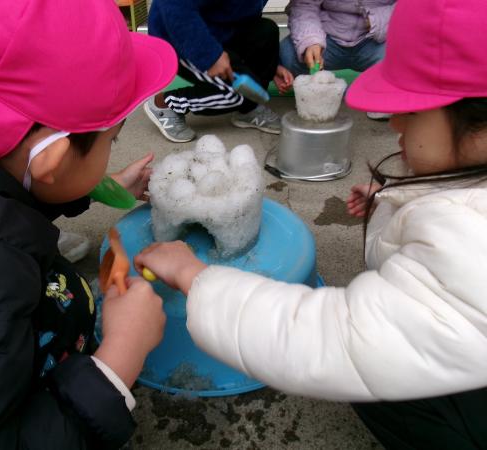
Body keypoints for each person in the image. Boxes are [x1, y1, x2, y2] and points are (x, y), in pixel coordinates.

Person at [134, 0, 487, 448]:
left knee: (379, 384)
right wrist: (396, 199)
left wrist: (196, 278)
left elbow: (337, 340)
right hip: (196, 42)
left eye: (412, 111)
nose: (395, 121)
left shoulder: (471, 242)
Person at [0, 0, 177, 447]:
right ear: (52, 161)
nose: (112, 149)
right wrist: (119, 361)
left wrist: (99, 188)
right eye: (112, 139)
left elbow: (2, 184)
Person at [144, 0, 293, 143]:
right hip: (176, 37)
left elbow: (245, 11)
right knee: (237, 93)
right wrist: (210, 56)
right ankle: (165, 103)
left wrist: (273, 65)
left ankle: (248, 109)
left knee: (267, 31)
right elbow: (173, 5)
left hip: (219, 31)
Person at [280, 0, 396, 119]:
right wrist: (310, 40)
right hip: (328, 35)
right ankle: (320, 92)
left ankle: (383, 94)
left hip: (377, 38)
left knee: (400, 57)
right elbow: (305, 5)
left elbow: (407, 7)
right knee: (289, 53)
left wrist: (378, 20)